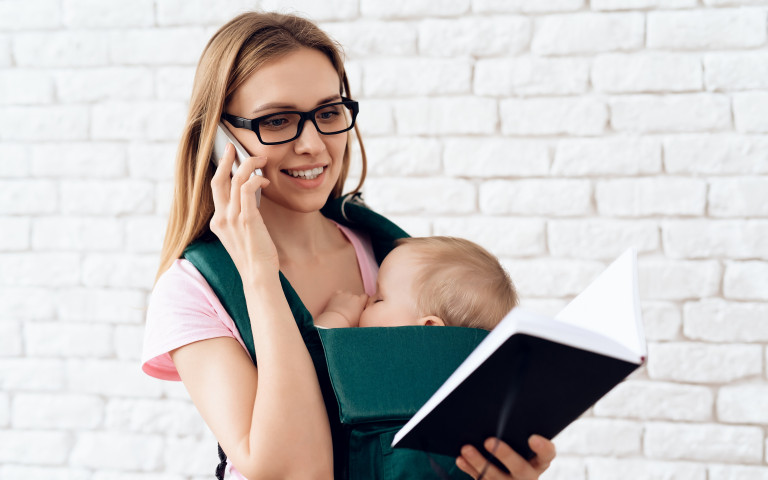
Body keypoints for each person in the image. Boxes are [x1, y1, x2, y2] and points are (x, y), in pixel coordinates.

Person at [141, 11, 556, 480]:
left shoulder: (391, 258)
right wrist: (258, 273)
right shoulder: (192, 292)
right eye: (277, 121)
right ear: (221, 139)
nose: (314, 145)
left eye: (328, 112)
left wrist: (496, 468)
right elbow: (295, 472)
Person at [315, 236, 518, 330]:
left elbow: (313, 361)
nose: (367, 297)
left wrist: (337, 316)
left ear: (428, 328)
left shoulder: (389, 358)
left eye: (379, 299)